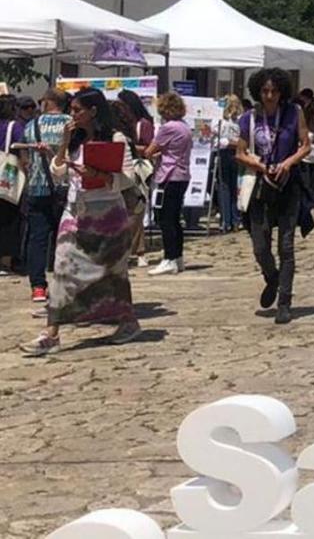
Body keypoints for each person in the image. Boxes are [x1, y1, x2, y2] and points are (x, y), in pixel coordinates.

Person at [19, 88, 143, 355]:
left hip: (107, 215)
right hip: (74, 212)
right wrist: (64, 143)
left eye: (77, 110)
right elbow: (58, 173)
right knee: (62, 267)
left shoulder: (114, 138)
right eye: (71, 110)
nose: (71, 115)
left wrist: (99, 173)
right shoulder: (73, 139)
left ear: (93, 111)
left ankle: (127, 321)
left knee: (112, 275)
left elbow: (128, 178)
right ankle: (51, 332)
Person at [236, 67, 313, 325]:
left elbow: (305, 145)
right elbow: (240, 152)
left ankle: (285, 301)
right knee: (260, 246)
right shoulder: (248, 118)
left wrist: (288, 162)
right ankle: (272, 277)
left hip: (287, 185)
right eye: (265, 91)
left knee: (287, 246)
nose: (269, 96)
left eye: (274, 91)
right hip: (259, 187)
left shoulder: (294, 113)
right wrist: (259, 165)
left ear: (282, 92)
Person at [22, 89, 73, 303]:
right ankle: (66, 284)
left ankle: (38, 287)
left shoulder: (31, 126)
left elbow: (25, 158)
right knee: (66, 238)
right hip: (65, 186)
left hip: (37, 186)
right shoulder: (71, 123)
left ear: (48, 102)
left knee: (38, 239)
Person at [143, 92, 194, 276]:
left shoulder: (168, 127)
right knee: (174, 218)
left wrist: (146, 151)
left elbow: (150, 150)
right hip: (182, 176)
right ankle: (178, 258)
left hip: (168, 176)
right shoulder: (185, 126)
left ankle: (169, 258)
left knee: (164, 218)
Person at [118, 89, 154, 268]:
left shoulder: (143, 124)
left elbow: (149, 147)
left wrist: (130, 147)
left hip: (138, 169)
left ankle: (139, 250)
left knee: (137, 211)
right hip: (123, 168)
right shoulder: (120, 125)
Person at [0, 95, 26, 277]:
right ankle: (6, 261)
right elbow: (22, 149)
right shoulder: (14, 127)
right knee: (9, 219)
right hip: (6, 177)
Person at [215, 94, 244, 232]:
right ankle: (230, 219)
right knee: (228, 187)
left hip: (230, 153)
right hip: (228, 152)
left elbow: (219, 139)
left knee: (229, 187)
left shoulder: (236, 120)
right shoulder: (228, 119)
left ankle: (231, 220)